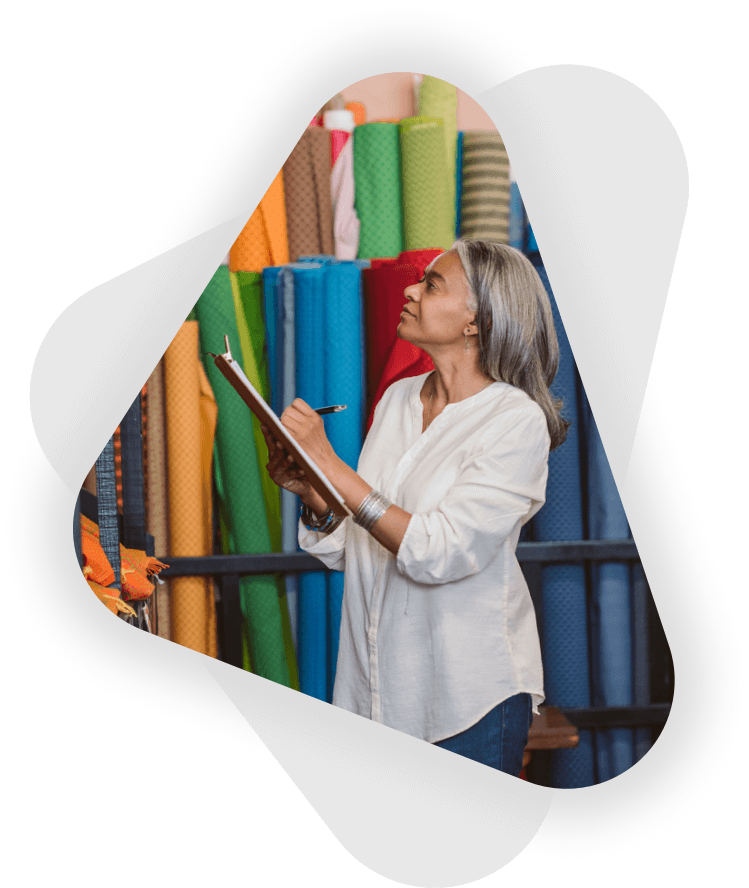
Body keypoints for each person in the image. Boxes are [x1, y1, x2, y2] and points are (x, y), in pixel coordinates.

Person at [260, 239, 569, 777]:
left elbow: (438, 551)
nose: (410, 289)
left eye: (432, 284)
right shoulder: (400, 398)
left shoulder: (515, 421)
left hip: (465, 703)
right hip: (372, 690)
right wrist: (314, 495)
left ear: (477, 320)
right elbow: (364, 535)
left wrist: (328, 463)